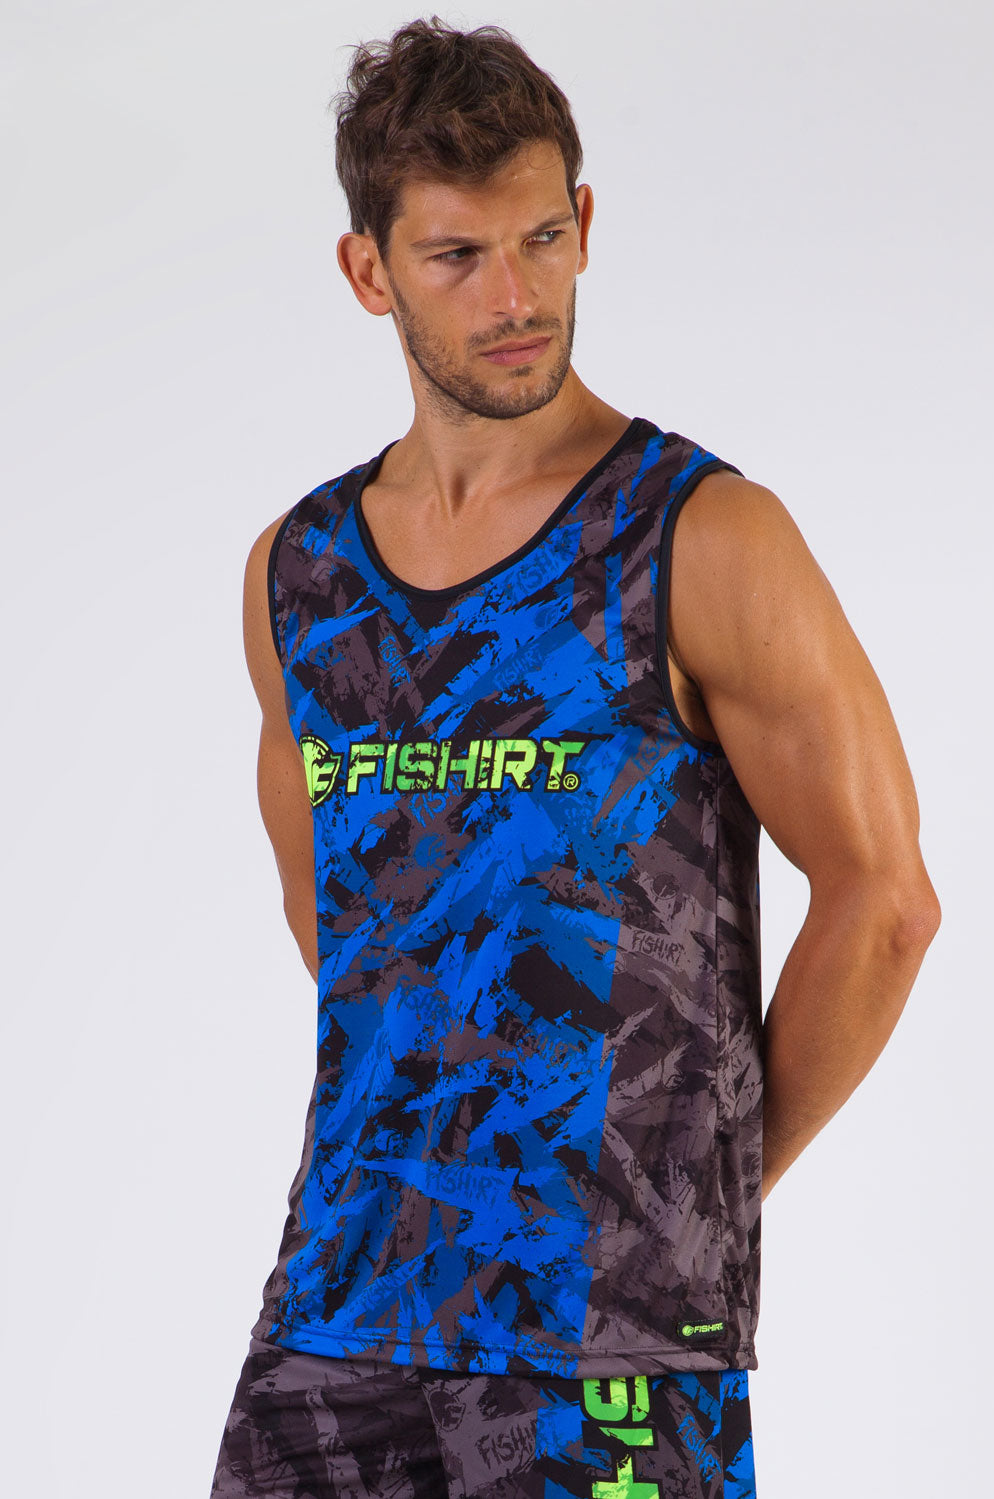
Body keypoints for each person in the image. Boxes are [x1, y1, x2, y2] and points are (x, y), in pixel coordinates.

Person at [210, 16, 940, 1499]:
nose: (517, 297)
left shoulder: (703, 539)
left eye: (543, 239)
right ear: (368, 272)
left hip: (612, 1349)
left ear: (586, 222)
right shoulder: (300, 575)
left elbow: (886, 900)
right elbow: (338, 916)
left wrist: (697, 1193)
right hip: (337, 1320)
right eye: (457, 256)